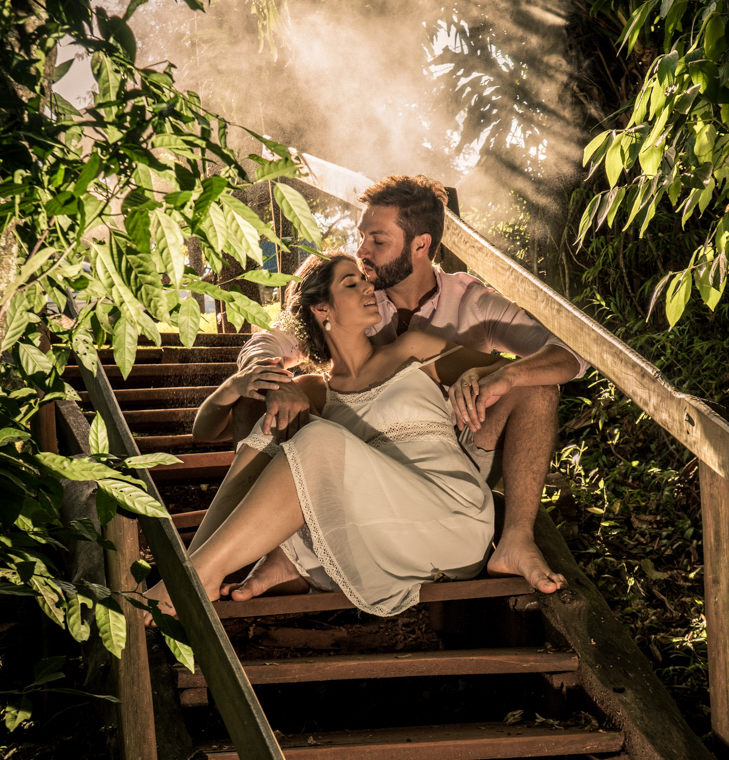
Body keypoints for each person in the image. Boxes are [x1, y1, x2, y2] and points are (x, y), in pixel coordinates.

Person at [216, 175, 587, 595]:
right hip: (373, 456)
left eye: (377, 240)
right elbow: (270, 340)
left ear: (421, 244)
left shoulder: (474, 303)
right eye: (361, 238)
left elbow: (570, 354)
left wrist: (505, 374)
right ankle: (272, 550)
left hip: (460, 449)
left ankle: (517, 539)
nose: (362, 252)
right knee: (264, 396)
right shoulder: (360, 300)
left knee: (537, 389)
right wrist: (270, 376)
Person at [146, 253, 567, 618]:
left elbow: (531, 371)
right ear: (322, 309)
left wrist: (487, 373)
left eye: (365, 280)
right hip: (376, 532)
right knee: (278, 425)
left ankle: (198, 575)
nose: (370, 288)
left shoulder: (414, 348)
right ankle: (195, 569)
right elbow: (206, 430)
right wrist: (240, 384)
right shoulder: (314, 391)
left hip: (451, 514)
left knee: (315, 440)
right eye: (352, 283)